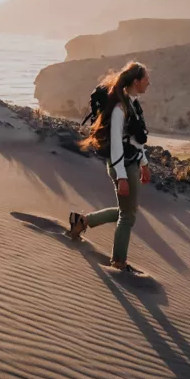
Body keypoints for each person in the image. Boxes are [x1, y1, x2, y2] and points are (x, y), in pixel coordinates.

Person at [68, 61, 151, 272]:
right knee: (128, 215)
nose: (148, 82)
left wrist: (144, 163)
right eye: (146, 79)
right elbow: (116, 144)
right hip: (122, 165)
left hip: (132, 163)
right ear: (135, 81)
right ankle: (119, 262)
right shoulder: (119, 109)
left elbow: (136, 139)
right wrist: (122, 176)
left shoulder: (134, 104)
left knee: (126, 211)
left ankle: (82, 221)